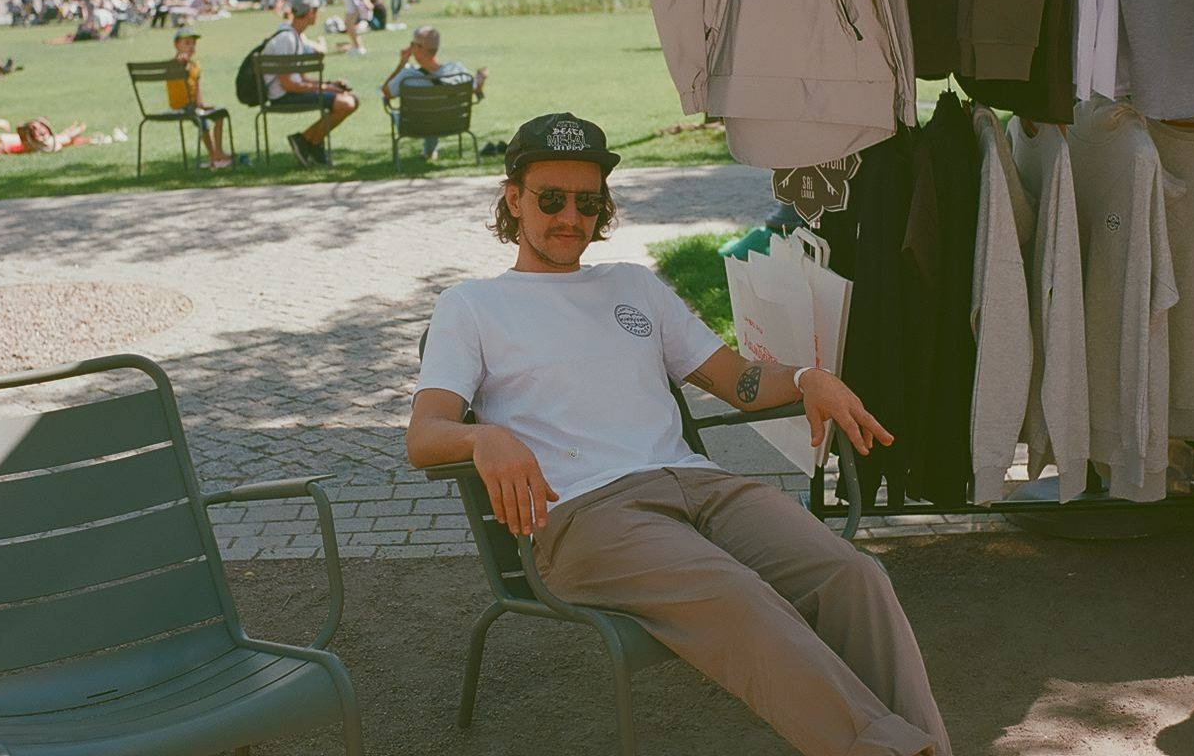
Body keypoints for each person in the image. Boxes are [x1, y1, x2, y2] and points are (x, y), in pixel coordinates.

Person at [407, 112, 952, 756]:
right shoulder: (472, 306)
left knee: (854, 577)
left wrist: (808, 378)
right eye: (550, 199)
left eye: (587, 202)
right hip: (588, 514)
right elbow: (425, 435)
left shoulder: (633, 285)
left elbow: (736, 380)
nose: (570, 217)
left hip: (699, 485)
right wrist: (482, 440)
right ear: (513, 199)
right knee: (738, 597)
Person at [262, 0, 359, 167]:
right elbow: (288, 85)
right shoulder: (287, 39)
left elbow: (301, 79)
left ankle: (309, 142)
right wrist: (325, 88)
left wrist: (329, 85)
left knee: (353, 100)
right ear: (310, 12)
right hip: (283, 96)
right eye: (316, 10)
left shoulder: (294, 36)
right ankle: (307, 141)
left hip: (291, 91)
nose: (318, 14)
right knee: (347, 103)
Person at [381, 25, 487, 161]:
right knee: (435, 112)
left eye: (412, 44)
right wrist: (481, 78)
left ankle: (429, 151)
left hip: (414, 126)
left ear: (419, 48)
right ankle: (429, 151)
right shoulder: (457, 70)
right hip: (454, 123)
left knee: (406, 113)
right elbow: (476, 89)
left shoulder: (407, 76)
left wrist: (401, 63)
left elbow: (386, 92)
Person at [167, 28, 234, 170]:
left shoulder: (195, 65)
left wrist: (202, 105)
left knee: (220, 113)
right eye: (187, 43)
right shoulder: (172, 64)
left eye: (193, 43)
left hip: (193, 106)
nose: (191, 46)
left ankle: (218, 151)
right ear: (176, 45)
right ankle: (213, 155)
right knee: (201, 119)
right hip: (181, 106)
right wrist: (180, 64)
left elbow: (197, 90)